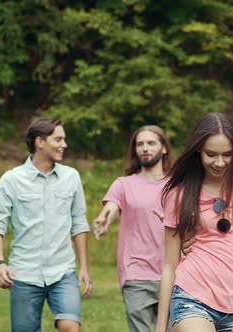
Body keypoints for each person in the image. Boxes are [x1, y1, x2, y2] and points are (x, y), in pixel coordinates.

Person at [156, 112, 233, 332]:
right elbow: (170, 264)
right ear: (198, 150)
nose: (219, 162)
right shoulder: (180, 194)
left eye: (227, 154)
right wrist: (160, 326)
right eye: (211, 154)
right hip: (193, 295)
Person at [0, 118, 92, 332]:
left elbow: (79, 224)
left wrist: (84, 267)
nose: (64, 144)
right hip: (24, 273)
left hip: (63, 271)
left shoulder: (71, 177)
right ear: (40, 142)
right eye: (58, 139)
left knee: (70, 326)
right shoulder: (11, 180)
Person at [93, 125, 173, 332]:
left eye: (151, 143)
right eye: (140, 144)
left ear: (164, 148)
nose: (145, 148)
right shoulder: (124, 184)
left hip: (173, 271)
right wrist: (104, 218)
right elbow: (112, 206)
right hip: (137, 272)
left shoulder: (177, 185)